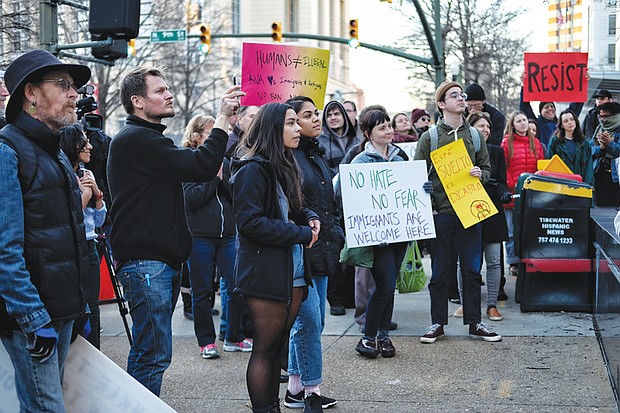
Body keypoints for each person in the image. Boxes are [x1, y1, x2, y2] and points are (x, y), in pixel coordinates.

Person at [107, 66, 243, 396]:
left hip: (157, 263)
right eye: (160, 91)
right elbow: (201, 166)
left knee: (151, 352)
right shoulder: (137, 140)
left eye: (168, 88)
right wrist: (222, 119)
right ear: (137, 101)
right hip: (145, 264)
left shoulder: (149, 139)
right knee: (152, 354)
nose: (169, 94)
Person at [0, 49, 91, 412]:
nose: (74, 94)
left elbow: (67, 235)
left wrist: (78, 306)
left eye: (73, 87)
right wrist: (33, 317)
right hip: (34, 315)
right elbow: (5, 249)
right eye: (63, 84)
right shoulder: (8, 150)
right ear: (31, 93)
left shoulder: (52, 150)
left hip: (60, 310)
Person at [230, 102, 320, 413]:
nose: (298, 129)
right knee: (265, 350)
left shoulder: (282, 165)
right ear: (273, 129)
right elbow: (251, 224)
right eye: (291, 123)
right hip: (265, 273)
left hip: (291, 269)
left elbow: (291, 209)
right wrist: (301, 233)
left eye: (298, 123)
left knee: (278, 346)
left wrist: (307, 217)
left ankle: (273, 406)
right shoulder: (251, 168)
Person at [414, 81, 501, 344]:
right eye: (454, 96)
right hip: (441, 213)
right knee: (440, 272)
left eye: (461, 95)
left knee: (473, 271)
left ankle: (475, 322)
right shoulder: (429, 137)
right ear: (441, 104)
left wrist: (480, 174)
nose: (461, 98)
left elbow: (487, 170)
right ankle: (437, 323)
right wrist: (425, 188)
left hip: (470, 211)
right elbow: (416, 174)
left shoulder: (474, 136)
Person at [283, 96, 341, 412]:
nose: (316, 118)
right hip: (301, 249)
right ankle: (311, 391)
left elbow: (327, 205)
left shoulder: (316, 156)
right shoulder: (288, 159)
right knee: (309, 322)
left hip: (323, 247)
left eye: (315, 113)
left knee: (309, 323)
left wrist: (337, 235)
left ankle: (295, 388)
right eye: (306, 115)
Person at [181, 114, 252, 359]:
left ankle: (234, 336)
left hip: (227, 234)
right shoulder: (189, 161)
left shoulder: (224, 160)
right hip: (199, 235)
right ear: (197, 136)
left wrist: (227, 179)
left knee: (237, 286)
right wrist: (214, 177)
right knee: (202, 292)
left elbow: (234, 196)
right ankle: (206, 342)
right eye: (211, 134)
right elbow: (191, 200)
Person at [351, 110, 409, 358]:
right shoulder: (361, 162)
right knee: (384, 285)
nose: (388, 132)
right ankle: (368, 336)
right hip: (376, 235)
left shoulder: (399, 157)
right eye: (382, 128)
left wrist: (423, 187)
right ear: (368, 134)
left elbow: (410, 188)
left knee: (389, 285)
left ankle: (383, 336)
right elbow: (348, 195)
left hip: (399, 232)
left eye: (388, 126)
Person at [454, 113, 511, 321]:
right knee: (466, 261)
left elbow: (503, 180)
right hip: (468, 208)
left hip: (493, 210)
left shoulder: (496, 152)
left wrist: (502, 191)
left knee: (494, 261)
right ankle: (464, 303)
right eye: (481, 126)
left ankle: (492, 305)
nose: (486, 129)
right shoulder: (461, 153)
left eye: (488, 126)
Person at [59, 123, 107, 349]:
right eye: (84, 142)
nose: (90, 147)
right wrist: (86, 195)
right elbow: (68, 218)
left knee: (93, 308)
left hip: (90, 246)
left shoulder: (87, 174)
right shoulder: (61, 174)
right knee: (76, 309)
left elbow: (99, 222)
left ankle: (94, 357)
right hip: (69, 248)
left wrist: (97, 196)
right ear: (71, 145)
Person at [318, 100, 360, 317]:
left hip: (357, 202)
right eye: (329, 115)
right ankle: (336, 299)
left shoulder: (358, 139)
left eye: (337, 114)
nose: (333, 118)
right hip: (332, 203)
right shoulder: (321, 141)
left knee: (355, 252)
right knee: (335, 251)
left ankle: (353, 296)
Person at [501, 111, 546, 277]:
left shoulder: (536, 143)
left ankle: (527, 260)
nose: (523, 123)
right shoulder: (506, 143)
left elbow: (540, 166)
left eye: (524, 120)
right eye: (519, 121)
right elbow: (503, 167)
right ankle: (513, 262)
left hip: (531, 194)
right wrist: (513, 184)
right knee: (511, 230)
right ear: (513, 124)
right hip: (513, 194)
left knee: (528, 229)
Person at [547, 109, 594, 185]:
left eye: (572, 119)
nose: (570, 122)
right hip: (561, 184)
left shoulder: (584, 142)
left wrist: (587, 185)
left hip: (580, 184)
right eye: (566, 121)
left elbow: (589, 166)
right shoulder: (555, 142)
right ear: (561, 125)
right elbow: (549, 163)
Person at [590, 102, 620, 207]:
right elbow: (590, 150)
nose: (602, 119)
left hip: (616, 175)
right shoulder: (599, 129)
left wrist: (610, 144)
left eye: (606, 116)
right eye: (600, 116)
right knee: (602, 209)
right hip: (599, 173)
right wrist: (601, 148)